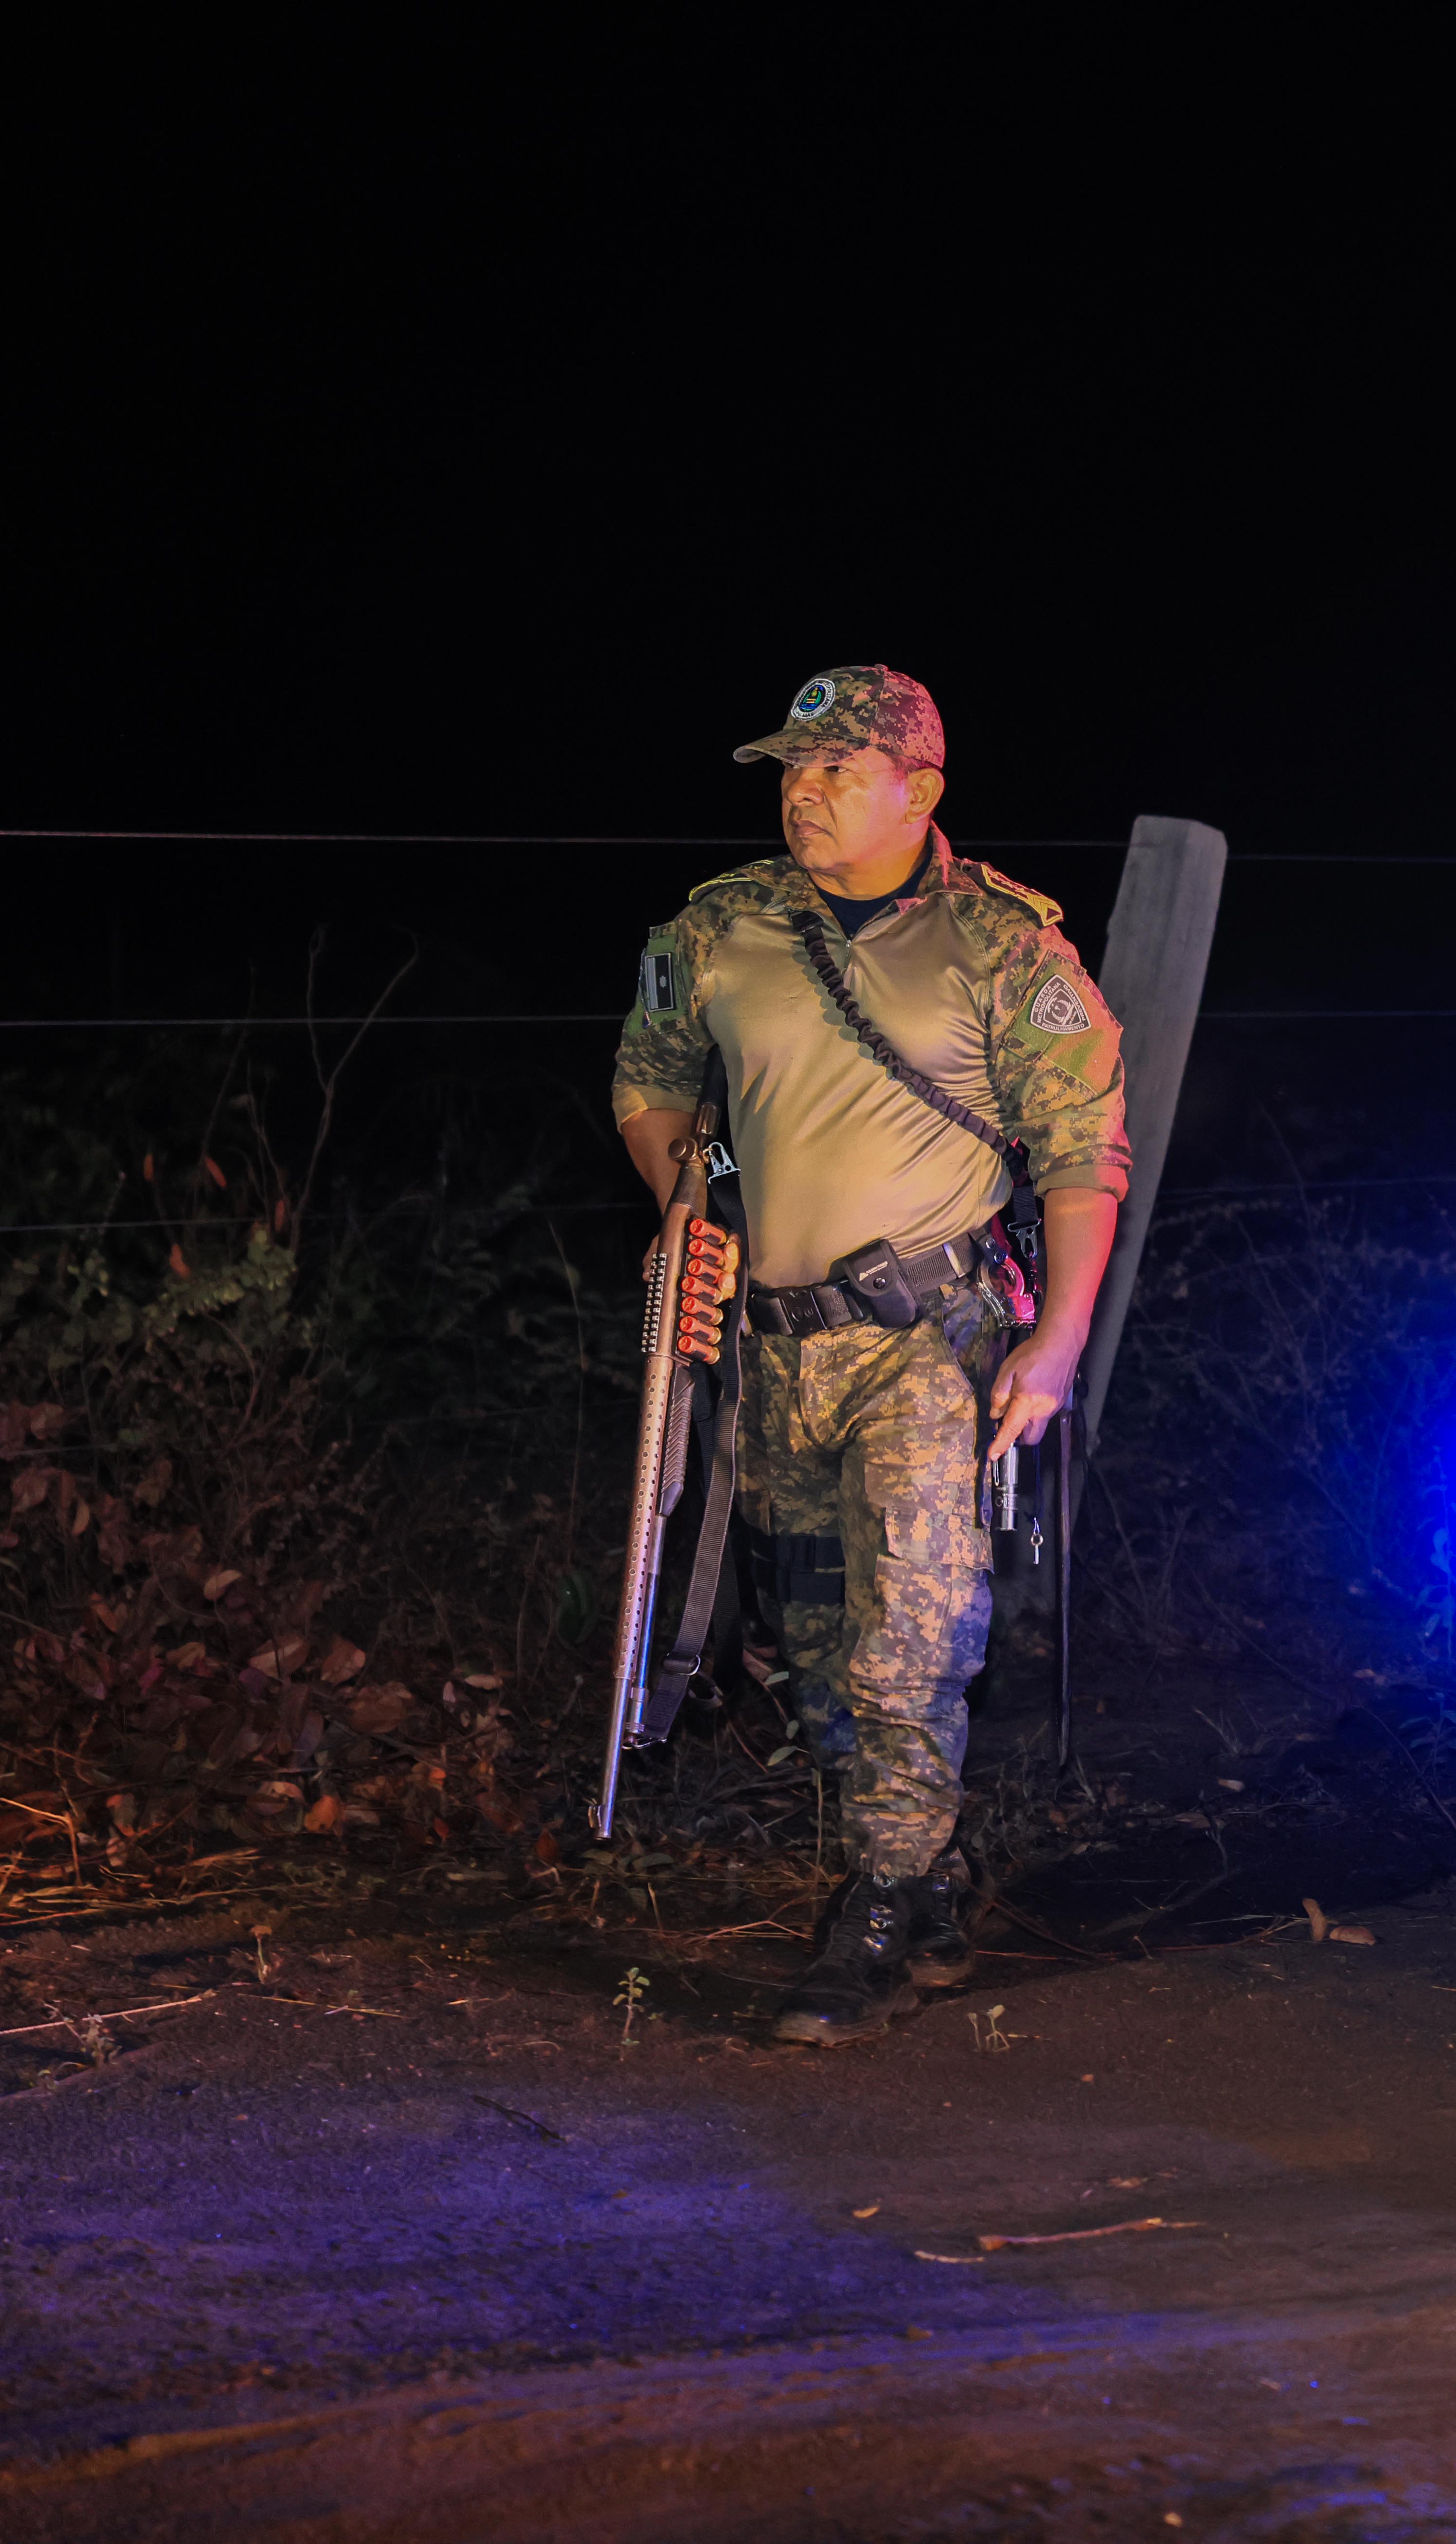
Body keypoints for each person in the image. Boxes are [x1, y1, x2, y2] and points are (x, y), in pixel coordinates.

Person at [612, 665, 1127, 2045]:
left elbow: (1082, 1156)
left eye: (837, 769)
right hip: (775, 1350)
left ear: (921, 791)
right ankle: (927, 1875)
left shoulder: (1004, 949)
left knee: (910, 1637)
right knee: (816, 1643)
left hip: (930, 1343)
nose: (803, 791)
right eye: (792, 768)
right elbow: (661, 1090)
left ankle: (881, 1911)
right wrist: (695, 1198)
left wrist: (1059, 1337)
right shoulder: (719, 929)